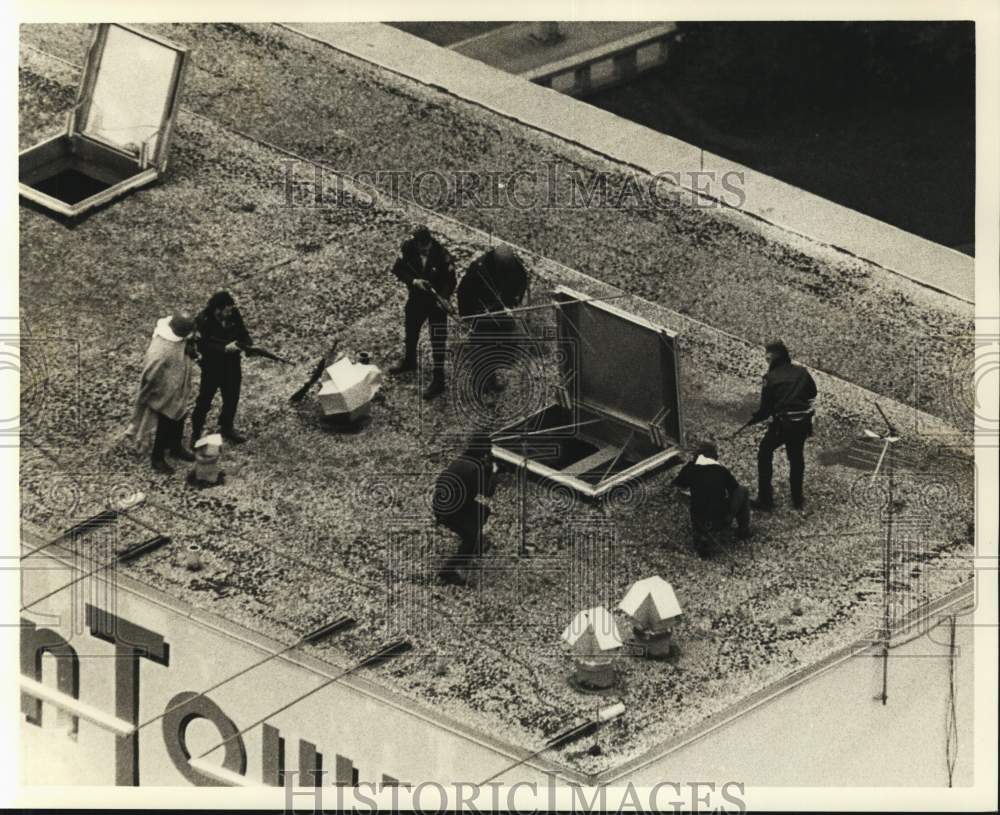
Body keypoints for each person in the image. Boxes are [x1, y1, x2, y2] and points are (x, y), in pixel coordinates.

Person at [746, 340, 818, 511]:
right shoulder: (802, 372)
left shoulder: (769, 378)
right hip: (802, 423)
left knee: (765, 452)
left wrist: (754, 419)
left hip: (782, 425)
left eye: (767, 355)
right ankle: (797, 499)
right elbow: (812, 393)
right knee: (796, 457)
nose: (765, 358)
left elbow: (765, 410)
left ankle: (765, 499)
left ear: (772, 357)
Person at [389, 226, 456, 400]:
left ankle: (439, 380)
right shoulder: (408, 248)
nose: (422, 249)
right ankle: (410, 361)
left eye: (425, 245)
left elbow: (450, 281)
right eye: (420, 245)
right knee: (411, 333)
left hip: (436, 304)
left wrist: (443, 297)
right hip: (417, 300)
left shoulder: (442, 255)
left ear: (430, 242)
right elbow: (398, 269)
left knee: (438, 341)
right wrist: (414, 281)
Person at [127, 312, 198, 474]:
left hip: (178, 387)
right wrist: (153, 393)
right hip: (164, 390)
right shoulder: (162, 349)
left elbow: (186, 344)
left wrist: (190, 350)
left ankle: (175, 447)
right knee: (166, 421)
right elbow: (150, 373)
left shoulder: (178, 337)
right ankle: (157, 458)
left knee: (179, 415)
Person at [456, 244, 529, 396]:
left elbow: (521, 283)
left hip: (501, 313)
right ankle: (479, 387)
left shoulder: (514, 266)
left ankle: (491, 378)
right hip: (481, 314)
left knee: (496, 347)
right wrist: (467, 316)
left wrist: (513, 303)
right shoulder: (478, 268)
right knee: (482, 349)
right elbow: (463, 292)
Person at [432, 432, 498, 586]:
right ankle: (448, 571)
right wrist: (494, 471)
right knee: (472, 538)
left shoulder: (461, 460)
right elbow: (488, 492)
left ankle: (469, 546)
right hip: (452, 511)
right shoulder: (475, 468)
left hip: (442, 505)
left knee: (483, 512)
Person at [191, 291, 252, 445]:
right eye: (227, 310)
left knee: (232, 398)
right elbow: (202, 345)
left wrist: (246, 345)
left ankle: (227, 427)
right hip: (212, 367)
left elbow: (243, 333)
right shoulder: (203, 320)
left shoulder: (233, 313)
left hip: (232, 365)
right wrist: (224, 349)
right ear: (217, 309)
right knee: (204, 401)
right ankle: (196, 432)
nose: (230, 313)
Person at [672, 441, 751, 558]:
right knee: (743, 490)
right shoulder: (721, 470)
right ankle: (743, 531)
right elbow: (735, 489)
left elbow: (677, 484)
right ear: (714, 456)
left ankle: (701, 535)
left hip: (699, 521)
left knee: (691, 497)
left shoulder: (691, 469)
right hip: (721, 519)